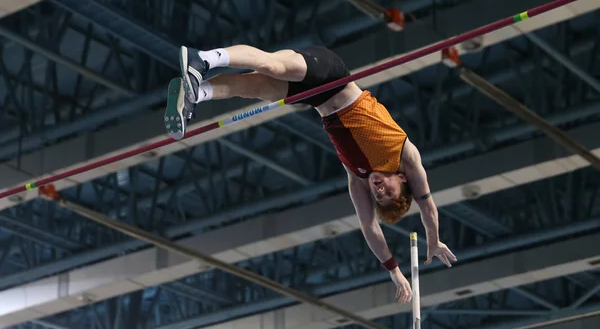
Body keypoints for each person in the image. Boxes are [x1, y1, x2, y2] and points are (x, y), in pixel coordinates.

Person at [164, 44, 457, 303]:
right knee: (273, 65)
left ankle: (195, 93)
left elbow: (370, 228)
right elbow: (427, 204)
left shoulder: (357, 181)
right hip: (332, 75)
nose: (379, 191)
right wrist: (433, 239)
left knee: (251, 88)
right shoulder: (405, 154)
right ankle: (202, 59)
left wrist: (394, 270)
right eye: (388, 192)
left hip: (316, 99)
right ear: (402, 178)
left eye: (379, 197)